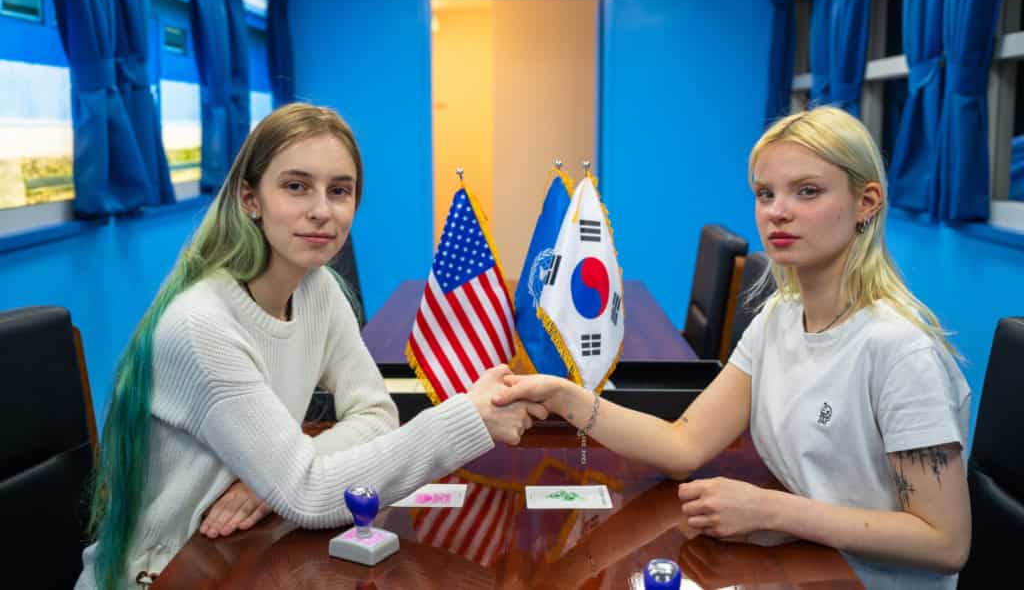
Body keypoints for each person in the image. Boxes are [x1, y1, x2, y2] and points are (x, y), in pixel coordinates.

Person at [494, 106, 971, 589]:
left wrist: (772, 510)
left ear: (867, 202)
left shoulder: (900, 351)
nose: (777, 211)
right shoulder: (779, 317)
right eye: (765, 194)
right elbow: (683, 444)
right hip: (801, 566)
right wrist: (566, 399)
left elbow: (944, 542)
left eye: (807, 191)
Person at [77, 103, 545, 589]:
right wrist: (468, 418)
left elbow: (375, 413)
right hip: (165, 573)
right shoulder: (202, 326)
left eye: (339, 190)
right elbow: (310, 495)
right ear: (249, 199)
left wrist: (277, 478)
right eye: (296, 186)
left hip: (244, 556)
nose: (322, 210)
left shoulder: (317, 288)